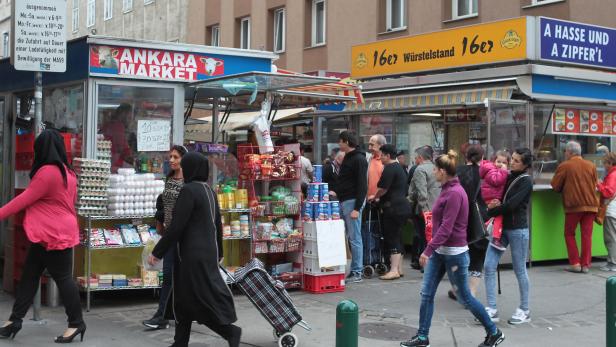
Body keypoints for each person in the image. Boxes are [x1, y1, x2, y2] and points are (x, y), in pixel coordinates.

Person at [401, 150, 504, 347]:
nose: (433, 172)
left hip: (455, 255)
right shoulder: (447, 189)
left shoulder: (455, 193)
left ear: (442, 171)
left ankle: (494, 332)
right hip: (441, 253)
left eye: (435, 169)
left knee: (465, 297)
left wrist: (427, 250)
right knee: (427, 294)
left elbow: (447, 228)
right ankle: (422, 337)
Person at [0, 130, 86, 343]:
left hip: (53, 235)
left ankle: (76, 323)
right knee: (30, 276)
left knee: (64, 279)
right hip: (51, 234)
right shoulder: (68, 172)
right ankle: (15, 320)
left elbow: (23, 200)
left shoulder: (47, 173)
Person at [148, 152, 240, 347]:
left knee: (196, 300)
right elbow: (218, 225)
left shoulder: (188, 191)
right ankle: (180, 342)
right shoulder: (209, 191)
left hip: (190, 255)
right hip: (206, 253)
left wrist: (157, 252)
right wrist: (220, 252)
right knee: (183, 300)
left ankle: (230, 331)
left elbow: (177, 226)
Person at [483, 148, 534, 325]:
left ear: (526, 165)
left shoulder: (526, 181)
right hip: (502, 228)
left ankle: (525, 309)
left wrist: (492, 211)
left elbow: (512, 205)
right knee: (489, 265)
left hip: (517, 229)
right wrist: (495, 203)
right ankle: (491, 308)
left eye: (517, 160)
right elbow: (501, 197)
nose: (512, 162)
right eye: (512, 159)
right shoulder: (508, 175)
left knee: (519, 269)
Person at [142, 145, 188, 329]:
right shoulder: (169, 180)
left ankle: (166, 315)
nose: (171, 160)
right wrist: (160, 222)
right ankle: (163, 315)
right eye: (170, 157)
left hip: (182, 236)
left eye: (175, 157)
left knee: (177, 277)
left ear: (184, 159)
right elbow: (163, 206)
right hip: (168, 234)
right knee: (169, 276)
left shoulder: (188, 183)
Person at [551, 140, 600, 273]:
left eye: (565, 151)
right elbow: (596, 183)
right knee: (586, 235)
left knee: (569, 233)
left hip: (574, 206)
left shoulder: (565, 166)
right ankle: (585, 265)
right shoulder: (591, 165)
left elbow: (555, 186)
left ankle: (575, 263)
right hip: (591, 206)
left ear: (569, 152)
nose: (565, 153)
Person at [452, 144, 488, 301]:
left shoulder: (457, 172)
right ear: (482, 157)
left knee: (457, 253)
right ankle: (471, 291)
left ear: (465, 156)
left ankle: (457, 288)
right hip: (478, 219)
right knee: (478, 254)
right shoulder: (484, 174)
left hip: (459, 218)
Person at [369, 144, 412, 280]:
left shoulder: (389, 168)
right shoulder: (400, 168)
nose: (380, 158)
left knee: (392, 237)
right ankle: (399, 268)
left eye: (382, 155)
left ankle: (393, 270)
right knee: (398, 236)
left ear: (388, 156)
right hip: (402, 206)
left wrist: (374, 196)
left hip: (392, 208)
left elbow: (383, 189)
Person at [336, 131, 368, 283]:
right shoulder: (349, 157)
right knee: (351, 237)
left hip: (352, 202)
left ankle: (357, 272)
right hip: (345, 201)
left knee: (355, 238)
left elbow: (362, 185)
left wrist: (357, 207)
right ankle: (354, 271)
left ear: (347, 142)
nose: (339, 144)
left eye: (340, 141)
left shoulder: (359, 159)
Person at [408, 145, 441, 270]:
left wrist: (424, 209)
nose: (415, 160)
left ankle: (427, 265)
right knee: (434, 237)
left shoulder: (419, 169)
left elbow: (421, 193)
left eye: (416, 157)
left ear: (420, 157)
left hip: (425, 210)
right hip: (438, 207)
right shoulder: (436, 168)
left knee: (425, 237)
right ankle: (434, 264)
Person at [480, 150, 512, 251]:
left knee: (495, 217)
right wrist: (504, 171)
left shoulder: (495, 170)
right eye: (498, 161)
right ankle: (496, 238)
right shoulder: (491, 170)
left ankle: (487, 226)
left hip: (493, 196)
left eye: (504, 163)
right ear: (494, 161)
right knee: (499, 217)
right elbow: (496, 181)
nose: (501, 164)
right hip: (491, 197)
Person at [597, 152, 616, 272]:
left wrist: (599, 184)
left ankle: (612, 263)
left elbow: (608, 192)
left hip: (611, 210)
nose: (603, 165)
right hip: (613, 209)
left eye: (605, 162)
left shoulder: (612, 175)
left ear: (610, 163)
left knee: (611, 237)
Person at [367, 134, 386, 200]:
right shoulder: (368, 159)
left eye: (372, 145)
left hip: (382, 201)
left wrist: (378, 197)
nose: (369, 148)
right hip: (368, 201)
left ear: (381, 146)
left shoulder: (390, 161)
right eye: (369, 145)